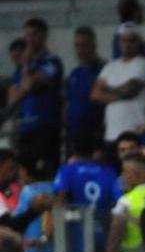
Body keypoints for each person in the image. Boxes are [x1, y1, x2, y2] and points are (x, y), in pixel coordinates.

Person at [7, 18, 62, 173]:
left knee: (44, 172)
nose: (30, 40)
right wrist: (26, 69)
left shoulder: (52, 62)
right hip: (25, 128)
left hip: (45, 127)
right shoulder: (22, 68)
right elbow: (13, 99)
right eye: (27, 35)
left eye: (34, 35)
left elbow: (29, 85)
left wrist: (26, 72)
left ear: (44, 35)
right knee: (24, 173)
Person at [93, 23, 145, 148]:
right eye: (123, 40)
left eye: (132, 41)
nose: (127, 44)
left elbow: (130, 90)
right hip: (111, 132)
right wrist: (121, 93)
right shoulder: (110, 66)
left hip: (135, 129)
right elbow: (95, 94)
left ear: (138, 42)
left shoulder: (143, 64)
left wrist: (108, 90)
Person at [64, 26, 105, 147]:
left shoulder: (104, 70)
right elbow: (68, 101)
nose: (81, 50)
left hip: (94, 132)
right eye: (78, 46)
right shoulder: (74, 73)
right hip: (74, 133)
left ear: (94, 46)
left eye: (85, 45)